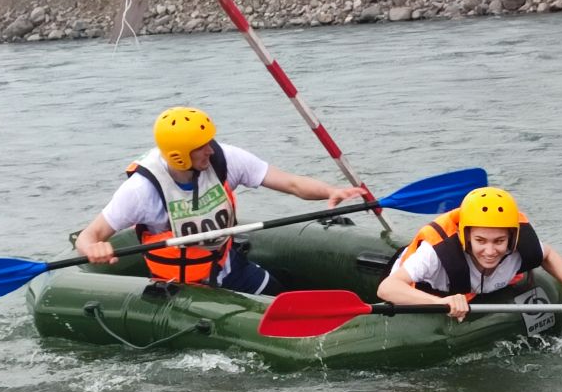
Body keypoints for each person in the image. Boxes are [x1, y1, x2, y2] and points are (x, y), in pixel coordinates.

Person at [76, 106, 365, 295]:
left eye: (209, 143)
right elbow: (89, 236)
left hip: (228, 266)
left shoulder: (224, 158)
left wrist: (329, 191)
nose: (210, 151)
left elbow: (291, 183)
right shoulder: (141, 191)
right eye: (201, 148)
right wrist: (94, 247)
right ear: (179, 156)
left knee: (281, 297)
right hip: (180, 289)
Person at [377, 186, 562, 321]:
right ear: (466, 236)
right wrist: (441, 303)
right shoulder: (436, 253)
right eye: (480, 241)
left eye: (499, 241)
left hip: (471, 291)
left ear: (511, 237)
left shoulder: (521, 247)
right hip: (424, 288)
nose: (490, 251)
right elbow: (387, 288)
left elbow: (548, 254)